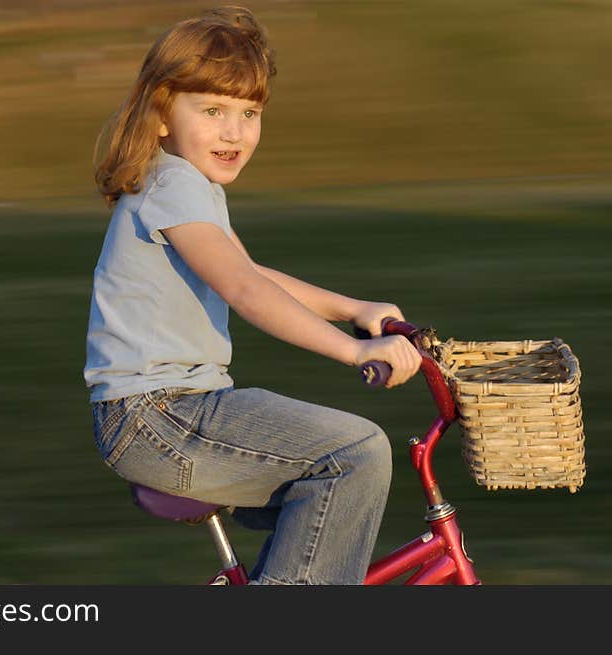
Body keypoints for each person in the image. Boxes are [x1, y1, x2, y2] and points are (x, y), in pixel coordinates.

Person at [84, 5, 422, 585]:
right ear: (161, 112)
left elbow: (249, 270)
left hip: (174, 411)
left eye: (249, 112)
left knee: (337, 478)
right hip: (159, 416)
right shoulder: (172, 185)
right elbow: (243, 289)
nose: (234, 131)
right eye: (212, 110)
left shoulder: (188, 186)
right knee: (357, 453)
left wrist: (356, 311)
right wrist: (354, 351)